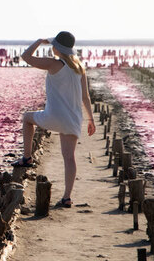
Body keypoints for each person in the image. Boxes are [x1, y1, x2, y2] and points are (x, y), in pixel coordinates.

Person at [11, 31, 96, 208]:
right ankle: (67, 197)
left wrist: (39, 41)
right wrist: (91, 119)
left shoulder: (54, 64)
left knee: (27, 118)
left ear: (58, 47)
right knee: (69, 158)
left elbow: (26, 56)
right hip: (73, 118)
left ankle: (27, 157)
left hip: (54, 116)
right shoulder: (79, 67)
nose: (52, 47)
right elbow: (86, 97)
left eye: (53, 45)